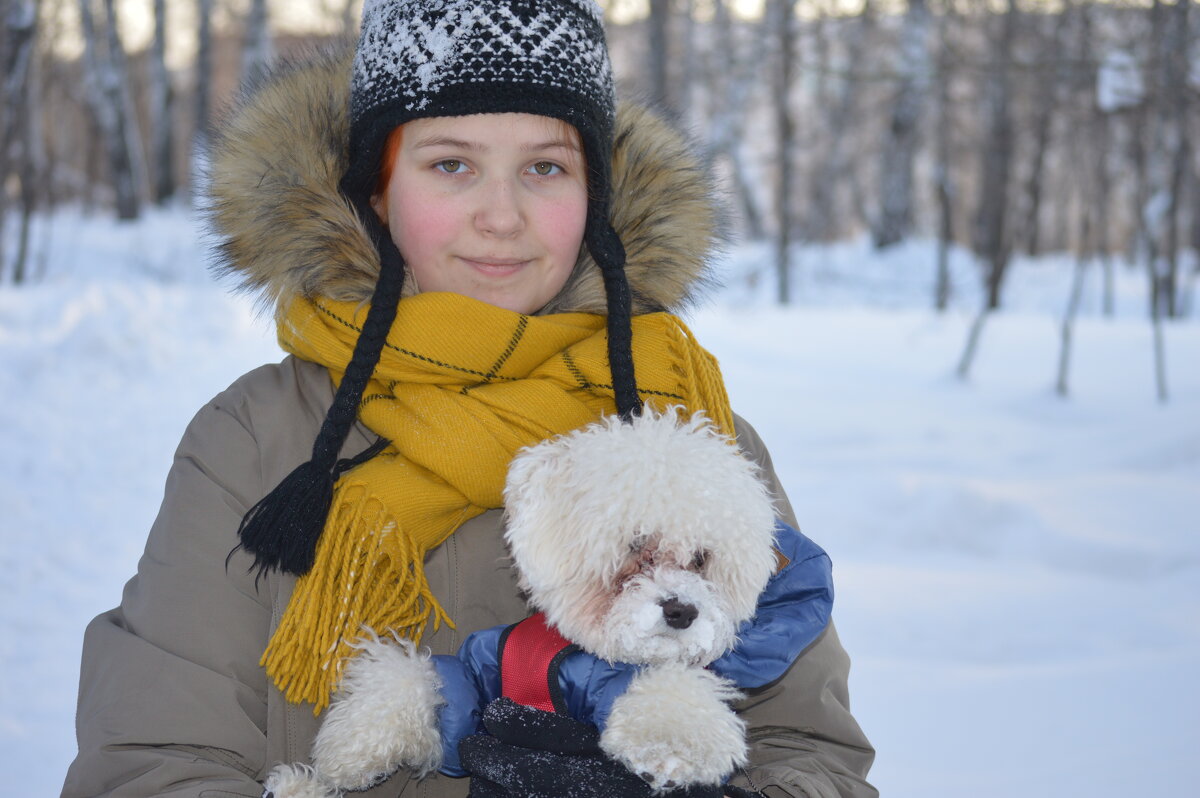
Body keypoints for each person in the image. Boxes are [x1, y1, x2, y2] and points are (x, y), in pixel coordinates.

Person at [62, 2, 877, 797]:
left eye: (545, 167)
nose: (501, 216)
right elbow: (151, 759)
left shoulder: (688, 433)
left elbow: (810, 750)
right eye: (451, 164)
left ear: (595, 194)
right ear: (377, 190)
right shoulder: (258, 437)